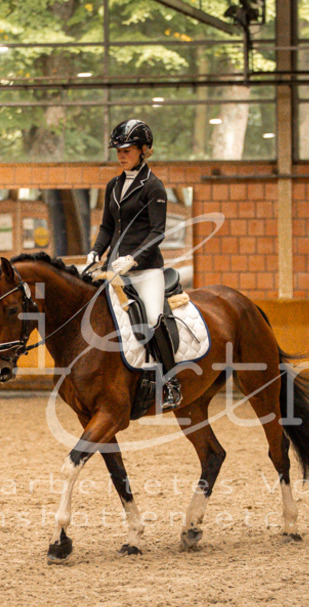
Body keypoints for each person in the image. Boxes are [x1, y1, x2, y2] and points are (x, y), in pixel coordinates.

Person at [86, 119, 182, 410]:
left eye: (127, 150)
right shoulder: (113, 185)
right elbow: (107, 226)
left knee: (152, 318)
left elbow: (158, 232)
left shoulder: (153, 186)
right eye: (118, 150)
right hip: (114, 269)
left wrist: (134, 257)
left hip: (146, 269)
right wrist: (96, 252)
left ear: (143, 150)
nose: (121, 155)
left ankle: (171, 383)